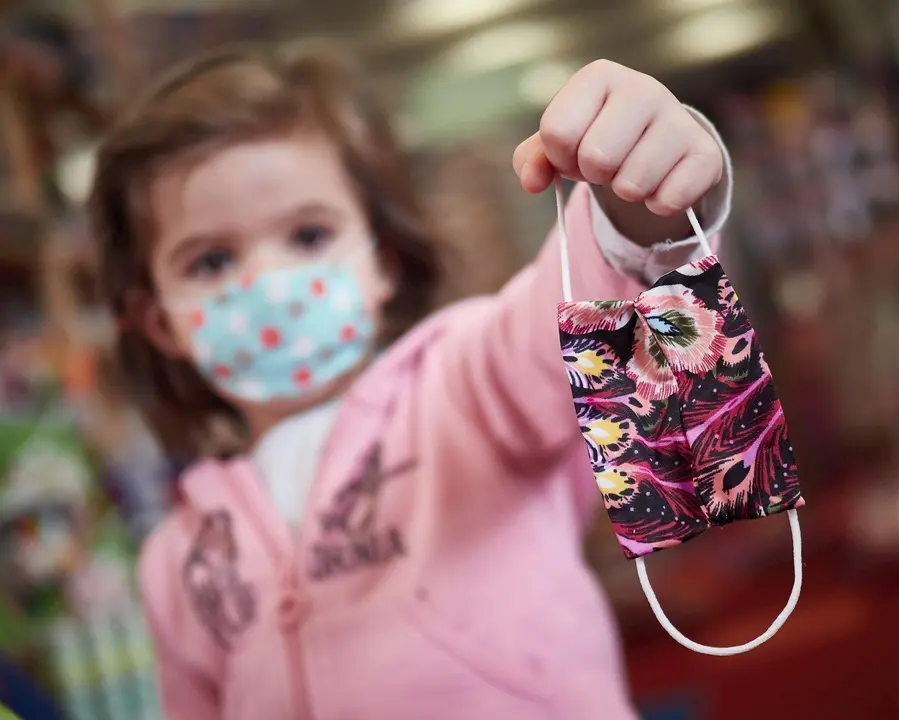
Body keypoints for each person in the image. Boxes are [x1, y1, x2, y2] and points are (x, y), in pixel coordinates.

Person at [89, 41, 732, 719]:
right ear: (159, 322)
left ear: (384, 261)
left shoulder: (463, 389)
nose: (266, 283)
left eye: (308, 236)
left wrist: (640, 206)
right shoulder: (177, 561)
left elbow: (573, 319)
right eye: (211, 260)